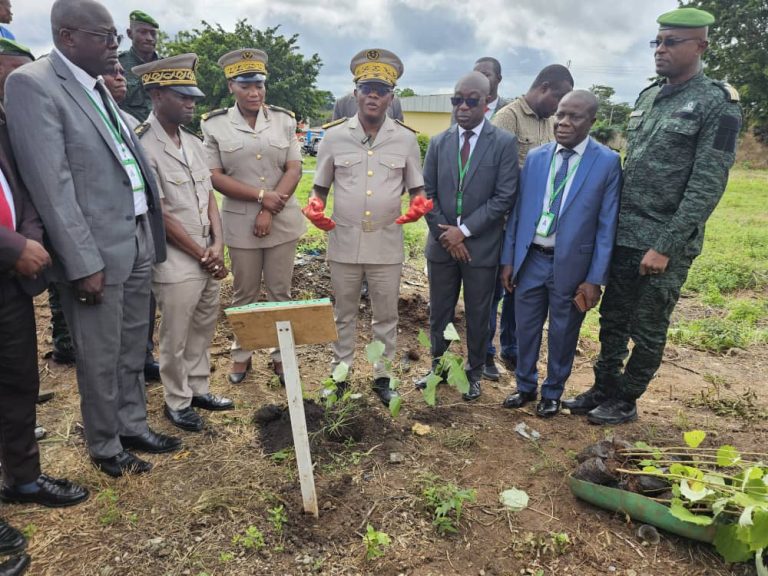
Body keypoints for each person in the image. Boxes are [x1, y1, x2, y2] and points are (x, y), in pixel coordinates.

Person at [5, 0, 182, 477]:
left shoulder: (96, 85)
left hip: (136, 234)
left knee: (132, 344)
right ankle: (105, 444)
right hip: (96, 250)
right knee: (100, 353)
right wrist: (82, 262)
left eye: (115, 37)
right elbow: (51, 186)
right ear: (67, 37)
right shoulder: (33, 85)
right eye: (105, 37)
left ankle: (132, 424)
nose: (114, 45)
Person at [563, 7, 742, 425]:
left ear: (701, 46)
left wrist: (666, 245)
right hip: (624, 233)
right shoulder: (648, 96)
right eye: (657, 42)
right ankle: (603, 387)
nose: (660, 49)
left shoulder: (718, 104)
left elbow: (707, 184)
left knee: (647, 327)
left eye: (671, 42)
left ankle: (626, 399)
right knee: (612, 319)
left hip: (663, 241)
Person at [1, 45, 89, 576]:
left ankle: (23, 479)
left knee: (18, 381)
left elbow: (26, 192)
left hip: (11, 281)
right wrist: (13, 247)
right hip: (10, 258)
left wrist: (28, 241)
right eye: (10, 74)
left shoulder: (5, 125)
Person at [304, 48, 427, 406]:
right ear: (355, 93)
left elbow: (416, 188)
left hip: (386, 242)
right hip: (344, 239)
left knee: (385, 315)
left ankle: (382, 376)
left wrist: (419, 203)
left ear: (391, 97)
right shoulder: (334, 137)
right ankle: (340, 375)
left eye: (381, 90)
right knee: (343, 313)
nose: (373, 95)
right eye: (367, 89)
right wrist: (315, 205)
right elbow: (319, 187)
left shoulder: (405, 139)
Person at [500, 90, 621, 418]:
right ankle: (525, 385)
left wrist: (595, 279)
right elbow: (518, 213)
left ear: (592, 121)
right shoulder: (537, 158)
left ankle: (553, 392)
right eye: (561, 114)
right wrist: (509, 259)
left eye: (574, 117)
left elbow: (607, 226)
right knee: (525, 328)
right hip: (531, 260)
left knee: (564, 332)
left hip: (573, 267)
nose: (564, 122)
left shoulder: (607, 162)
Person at [133, 53, 234, 432]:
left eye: (193, 96)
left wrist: (218, 244)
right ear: (157, 95)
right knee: (175, 334)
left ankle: (198, 388)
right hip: (175, 257)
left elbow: (209, 198)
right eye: (182, 96)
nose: (192, 103)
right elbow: (159, 213)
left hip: (207, 250)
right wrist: (202, 254)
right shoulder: (144, 146)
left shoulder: (193, 142)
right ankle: (176, 401)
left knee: (204, 325)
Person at [201, 49, 305, 386]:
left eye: (259, 85)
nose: (254, 92)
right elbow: (214, 176)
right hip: (240, 223)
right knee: (244, 293)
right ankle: (241, 353)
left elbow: (294, 168)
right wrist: (261, 197)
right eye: (245, 86)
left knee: (280, 292)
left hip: (281, 220)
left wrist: (268, 208)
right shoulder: (214, 124)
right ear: (231, 86)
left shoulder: (284, 120)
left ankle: (281, 355)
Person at [417, 71, 518, 401]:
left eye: (471, 101)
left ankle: (474, 373)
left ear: (487, 102)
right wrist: (448, 236)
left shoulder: (503, 143)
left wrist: (464, 232)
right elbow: (427, 194)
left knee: (478, 315)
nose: (462, 107)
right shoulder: (438, 142)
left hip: (480, 248)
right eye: (456, 100)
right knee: (440, 313)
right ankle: (440, 368)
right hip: (442, 246)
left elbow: (504, 196)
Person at [483, 64, 574, 381]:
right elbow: (493, 173)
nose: (560, 109)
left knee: (517, 292)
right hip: (503, 225)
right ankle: (485, 353)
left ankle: (511, 348)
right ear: (544, 87)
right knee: (493, 292)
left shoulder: (550, 122)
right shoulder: (508, 118)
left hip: (531, 230)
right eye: (558, 99)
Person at [117, 10, 158, 122]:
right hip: (129, 129)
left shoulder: (167, 66)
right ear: (130, 34)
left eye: (153, 33)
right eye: (143, 32)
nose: (149, 38)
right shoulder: (117, 65)